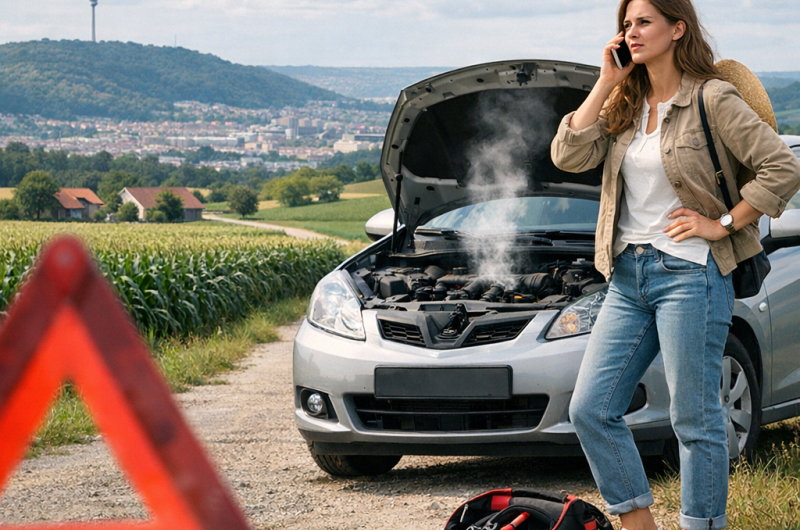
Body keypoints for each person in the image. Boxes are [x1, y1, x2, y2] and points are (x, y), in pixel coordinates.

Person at [550, 1, 800, 530]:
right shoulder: (624, 103)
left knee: (694, 418)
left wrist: (725, 223)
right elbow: (567, 155)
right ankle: (639, 526)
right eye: (625, 24)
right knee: (591, 410)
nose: (630, 32)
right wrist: (604, 81)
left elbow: (782, 166)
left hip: (692, 274)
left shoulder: (713, 97)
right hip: (626, 277)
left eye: (643, 22)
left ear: (677, 28)